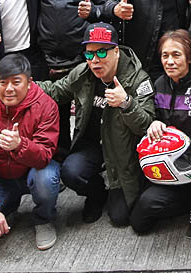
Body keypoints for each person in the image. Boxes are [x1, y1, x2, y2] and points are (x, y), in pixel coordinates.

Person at [39, 23, 155, 227]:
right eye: (89, 54)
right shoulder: (83, 73)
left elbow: (147, 126)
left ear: (116, 51)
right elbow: (56, 91)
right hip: (92, 145)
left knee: (120, 218)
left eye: (102, 52)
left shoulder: (138, 79)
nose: (95, 60)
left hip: (123, 154)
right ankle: (97, 194)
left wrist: (127, 103)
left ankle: (121, 188)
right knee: (71, 172)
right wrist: (23, 87)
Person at [36, 0, 118, 157]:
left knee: (87, 112)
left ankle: (85, 161)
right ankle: (58, 159)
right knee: (53, 112)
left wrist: (92, 11)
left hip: (84, 56)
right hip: (49, 53)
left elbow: (109, 8)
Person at [130, 30, 191, 236]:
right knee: (138, 220)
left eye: (176, 55)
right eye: (165, 55)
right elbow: (150, 115)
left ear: (189, 57)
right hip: (168, 164)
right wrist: (154, 123)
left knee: (151, 204)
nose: (170, 61)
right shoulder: (160, 84)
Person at [0, 54, 62, 251]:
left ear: (29, 82)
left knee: (47, 176)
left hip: (32, 170)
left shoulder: (46, 106)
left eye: (16, 82)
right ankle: (6, 207)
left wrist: (19, 145)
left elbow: (43, 155)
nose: (9, 89)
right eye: (3, 82)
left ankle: (43, 219)